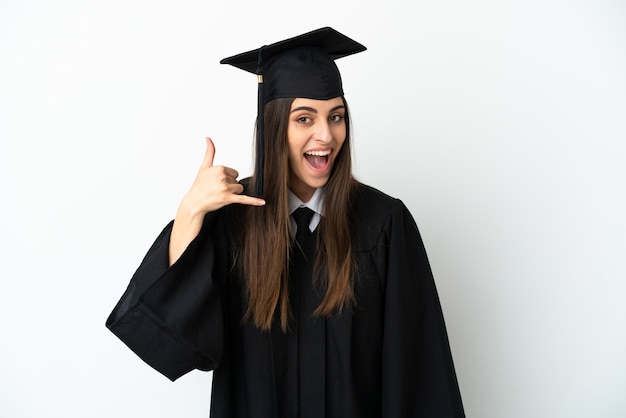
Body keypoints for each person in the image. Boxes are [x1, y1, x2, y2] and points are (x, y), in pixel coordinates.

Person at [106, 27, 465, 418]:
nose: (326, 135)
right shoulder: (231, 221)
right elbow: (174, 343)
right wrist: (191, 212)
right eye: (305, 118)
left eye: (336, 116)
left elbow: (418, 376)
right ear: (276, 126)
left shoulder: (383, 223)